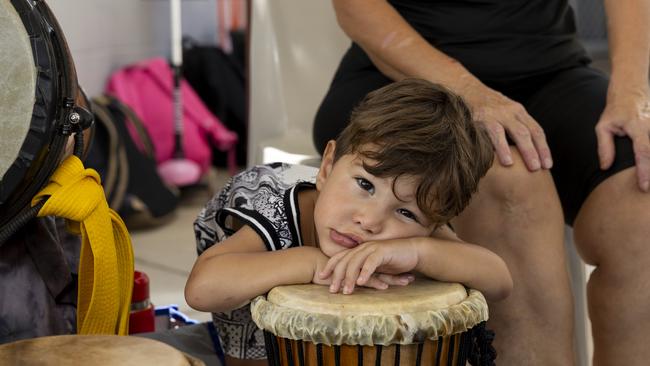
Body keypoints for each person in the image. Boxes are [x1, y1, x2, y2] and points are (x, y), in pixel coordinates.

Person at [313, 0, 650, 365]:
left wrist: (632, 93)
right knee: (508, 177)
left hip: (549, 67)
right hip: (407, 79)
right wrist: (470, 93)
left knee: (641, 191)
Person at [185, 79, 512, 366]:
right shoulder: (273, 211)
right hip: (250, 243)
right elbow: (202, 289)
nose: (369, 221)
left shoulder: (420, 214)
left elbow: (499, 280)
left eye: (404, 213)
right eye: (365, 185)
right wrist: (313, 263)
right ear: (327, 167)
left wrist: (417, 252)